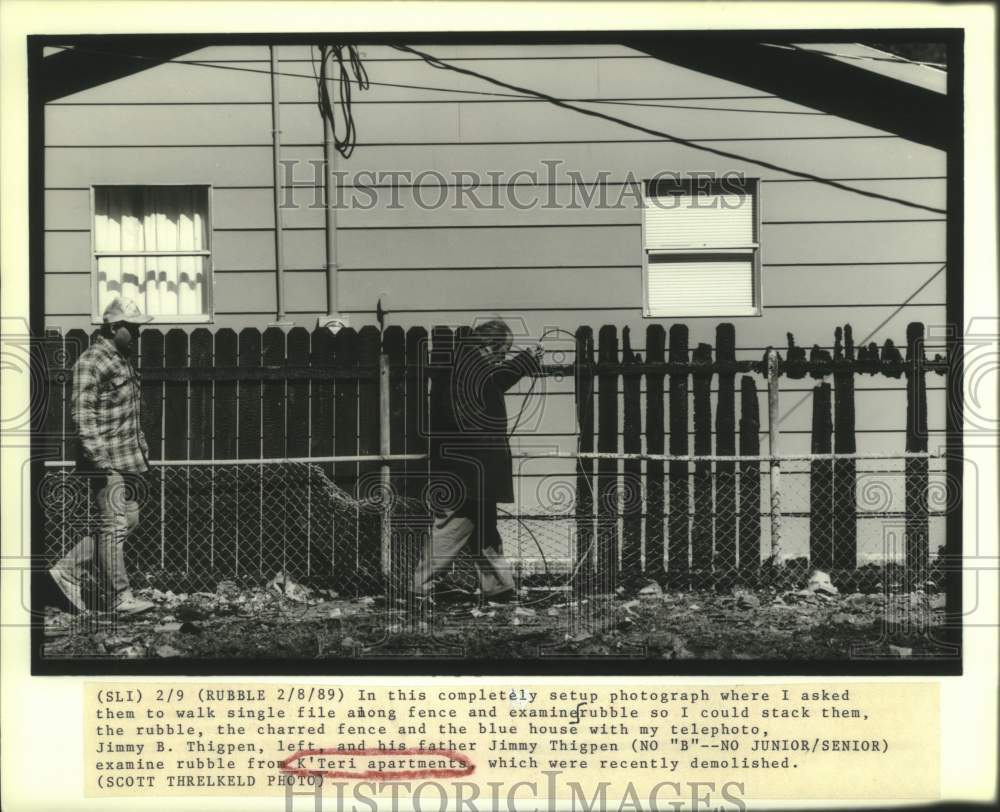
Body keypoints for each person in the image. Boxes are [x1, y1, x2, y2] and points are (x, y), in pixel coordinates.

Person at [414, 319, 542, 604]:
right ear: (489, 345)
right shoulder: (467, 367)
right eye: (503, 351)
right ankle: (420, 587)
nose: (503, 357)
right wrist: (524, 362)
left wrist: (524, 362)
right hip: (467, 468)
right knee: (453, 526)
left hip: (470, 467)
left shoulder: (467, 364)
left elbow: (493, 383)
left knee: (483, 528)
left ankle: (498, 587)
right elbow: (482, 393)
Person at [48, 297, 155, 615]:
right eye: (132, 328)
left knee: (127, 521)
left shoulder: (122, 359)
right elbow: (83, 415)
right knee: (114, 525)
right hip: (105, 461)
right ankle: (121, 598)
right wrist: (101, 462)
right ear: (113, 327)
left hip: (127, 459)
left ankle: (66, 572)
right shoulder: (91, 361)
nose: (137, 334)